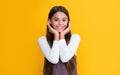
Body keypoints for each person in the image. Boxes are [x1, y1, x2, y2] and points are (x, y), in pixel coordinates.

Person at [38, 6, 81, 75]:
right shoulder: (43, 40)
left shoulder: (75, 38)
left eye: (64, 20)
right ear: (49, 21)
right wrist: (56, 36)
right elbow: (54, 59)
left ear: (68, 22)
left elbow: (65, 58)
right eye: (56, 20)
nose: (60, 23)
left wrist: (62, 35)